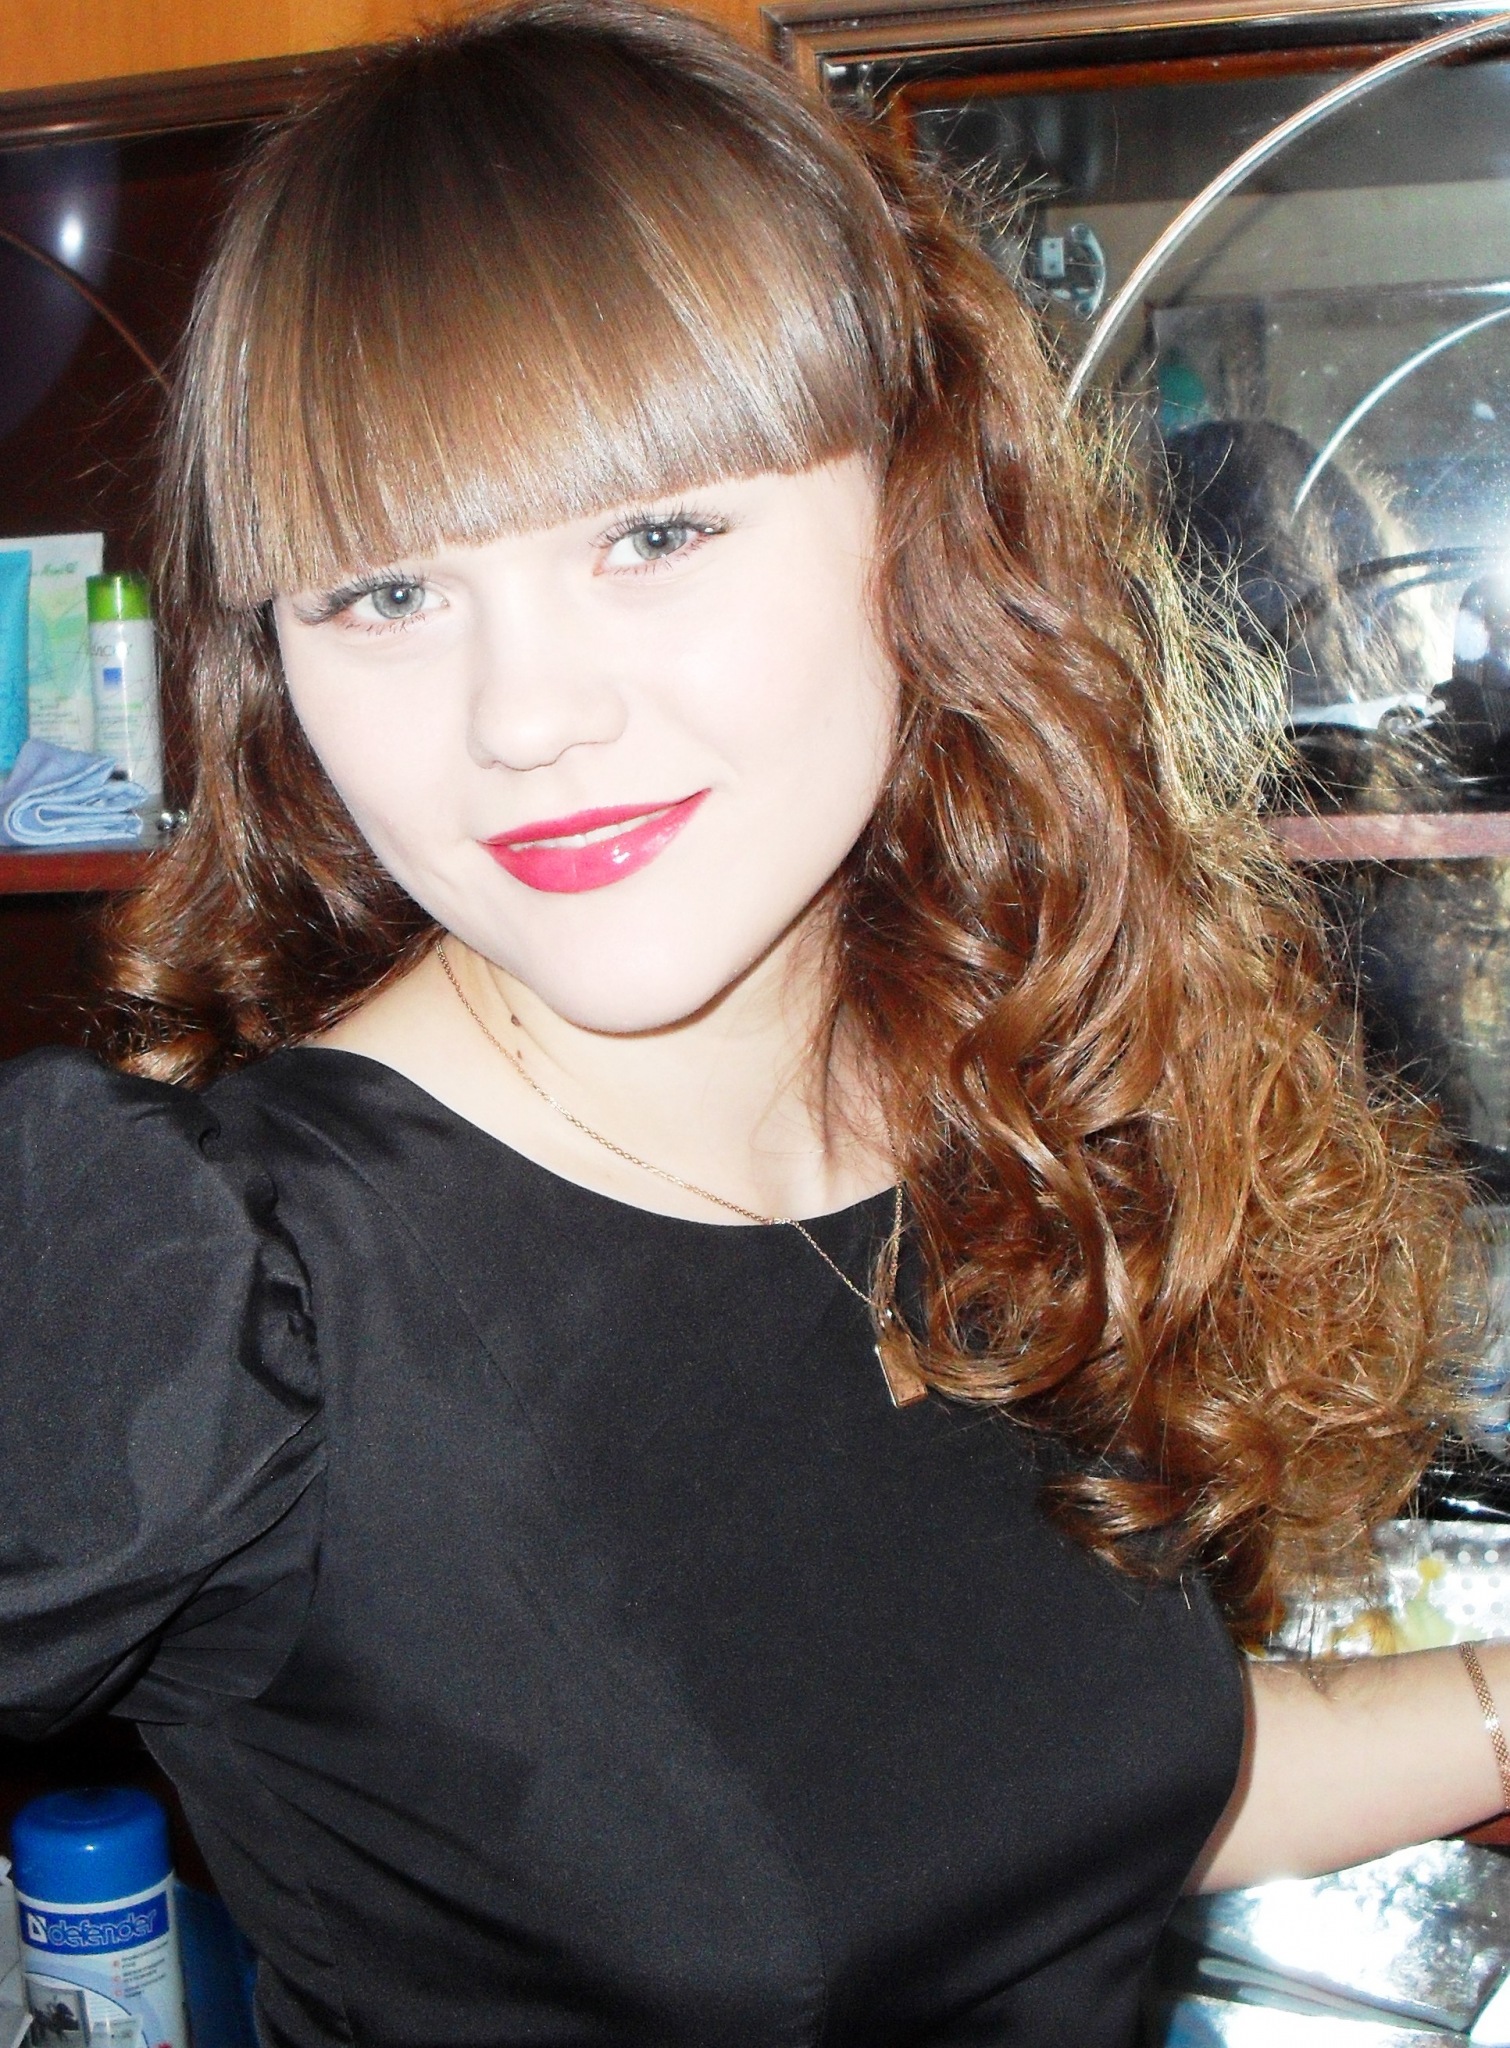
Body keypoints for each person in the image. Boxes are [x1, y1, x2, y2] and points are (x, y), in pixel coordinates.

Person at [0, 4, 1503, 2042]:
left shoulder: (992, 1092)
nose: (526, 716)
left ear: (919, 515)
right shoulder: (196, 1283)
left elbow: (1058, 1795)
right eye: (383, 593)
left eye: (653, 534)